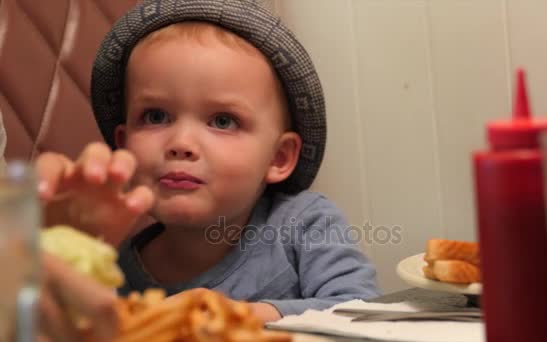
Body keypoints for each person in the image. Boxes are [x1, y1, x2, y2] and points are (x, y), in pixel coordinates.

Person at [36, 0, 380, 325]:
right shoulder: (119, 270)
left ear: (278, 157)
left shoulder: (304, 224)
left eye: (222, 121)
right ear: (124, 147)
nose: (181, 144)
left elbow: (361, 312)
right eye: (156, 116)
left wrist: (236, 316)